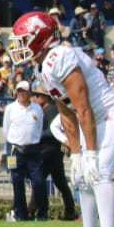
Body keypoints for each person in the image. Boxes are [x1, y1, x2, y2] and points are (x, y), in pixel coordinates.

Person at [11, 11, 114, 227]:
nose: (21, 46)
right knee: (81, 177)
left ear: (41, 37)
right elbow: (66, 112)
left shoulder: (61, 56)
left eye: (24, 39)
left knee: (98, 172)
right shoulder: (43, 66)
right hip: (95, 118)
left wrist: (90, 153)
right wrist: (77, 154)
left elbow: (83, 108)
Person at [3, 81, 44, 221]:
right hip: (16, 150)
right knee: (17, 183)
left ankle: (42, 212)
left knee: (38, 182)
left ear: (29, 93)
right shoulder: (10, 108)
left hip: (33, 149)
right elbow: (6, 130)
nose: (21, 93)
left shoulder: (37, 108)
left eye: (24, 91)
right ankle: (21, 214)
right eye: (19, 91)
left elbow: (39, 127)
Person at [33, 90, 76, 220]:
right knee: (60, 182)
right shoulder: (45, 110)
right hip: (50, 150)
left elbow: (52, 131)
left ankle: (36, 211)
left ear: (45, 97)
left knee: (39, 181)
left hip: (50, 150)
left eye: (38, 96)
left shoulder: (50, 110)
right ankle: (70, 211)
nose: (35, 98)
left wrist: (36, 136)